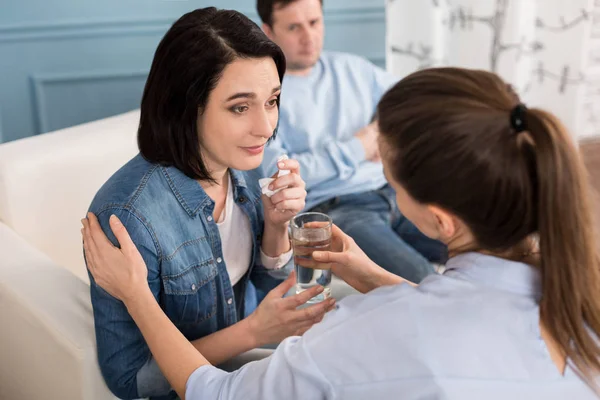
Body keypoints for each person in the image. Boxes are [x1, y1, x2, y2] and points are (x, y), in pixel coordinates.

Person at [83, 67, 600, 399]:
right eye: (242, 106)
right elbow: (462, 316)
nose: (265, 127)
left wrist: (134, 293)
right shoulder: (574, 292)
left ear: (441, 220)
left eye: (391, 181)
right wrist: (364, 270)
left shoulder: (365, 335)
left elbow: (218, 395)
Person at [84, 8, 335, 400]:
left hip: (246, 370)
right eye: (240, 107)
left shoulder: (248, 167)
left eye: (272, 101)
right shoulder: (129, 218)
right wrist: (253, 332)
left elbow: (260, 287)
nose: (266, 127)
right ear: (186, 107)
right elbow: (132, 380)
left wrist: (276, 226)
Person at [256, 0, 447, 283]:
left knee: (486, 248)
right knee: (421, 277)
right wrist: (358, 147)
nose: (309, 38)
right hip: (339, 209)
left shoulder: (351, 68)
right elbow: (284, 175)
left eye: (314, 23)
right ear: (269, 31)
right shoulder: (266, 94)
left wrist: (381, 136)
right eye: (294, 27)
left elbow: (413, 99)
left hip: (394, 192)